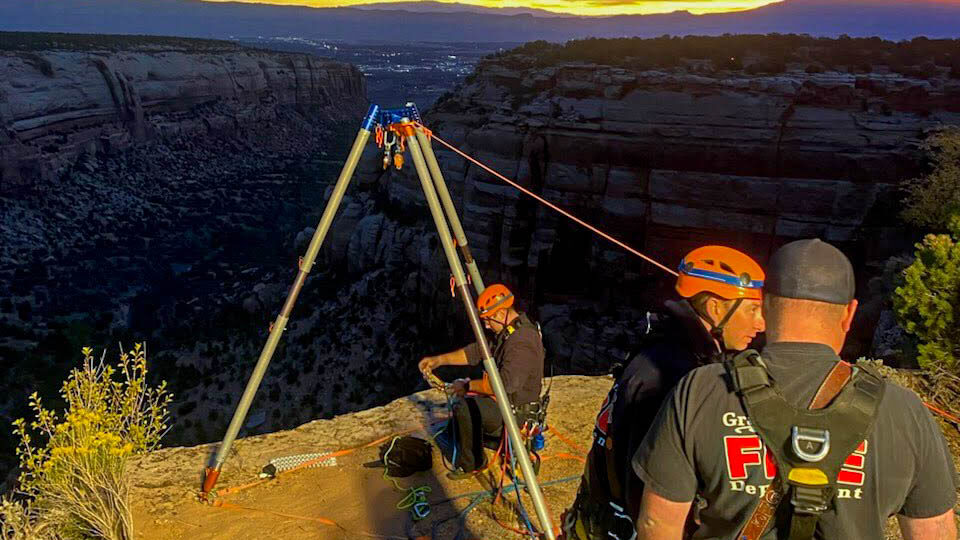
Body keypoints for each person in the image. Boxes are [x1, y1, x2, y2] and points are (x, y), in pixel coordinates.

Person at [633, 239, 958, 540]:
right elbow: (935, 531)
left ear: (765, 306)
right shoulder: (903, 410)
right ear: (849, 313)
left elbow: (657, 523)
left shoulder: (702, 389)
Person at [560, 246, 766, 540]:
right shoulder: (672, 374)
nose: (761, 324)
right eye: (752, 309)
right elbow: (649, 494)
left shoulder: (671, 352)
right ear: (715, 307)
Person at [418, 283, 545, 478]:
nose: (486, 325)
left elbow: (505, 384)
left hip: (516, 412)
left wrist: (467, 386)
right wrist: (439, 360)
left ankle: (473, 463)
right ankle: (487, 441)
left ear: (501, 314)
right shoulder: (508, 332)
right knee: (460, 421)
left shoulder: (522, 342)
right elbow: (477, 352)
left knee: (464, 408)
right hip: (506, 404)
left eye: (488, 320)